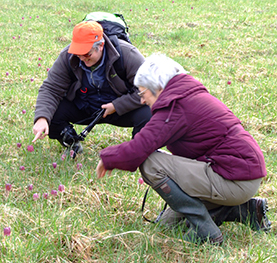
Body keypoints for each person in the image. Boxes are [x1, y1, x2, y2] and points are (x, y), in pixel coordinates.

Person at [96, 54, 271, 245]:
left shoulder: (175, 106)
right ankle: (246, 210)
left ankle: (205, 231)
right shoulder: (186, 96)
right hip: (240, 176)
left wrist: (108, 158)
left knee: (150, 162)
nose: (142, 101)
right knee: (167, 225)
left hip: (234, 179)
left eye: (142, 93)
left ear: (158, 87)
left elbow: (139, 149)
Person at [32, 21, 151, 154]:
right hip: (84, 106)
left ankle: (140, 153)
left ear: (100, 46)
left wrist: (117, 105)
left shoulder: (128, 53)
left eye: (87, 54)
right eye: (78, 54)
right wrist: (42, 118)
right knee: (49, 111)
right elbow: (51, 88)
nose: (82, 58)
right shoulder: (68, 56)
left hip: (119, 109)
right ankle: (71, 144)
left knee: (148, 112)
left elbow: (148, 89)